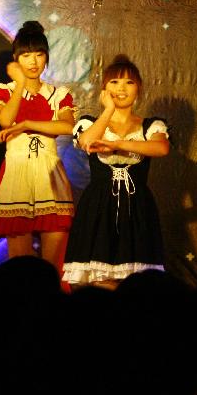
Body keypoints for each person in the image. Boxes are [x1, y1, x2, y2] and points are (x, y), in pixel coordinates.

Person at [63, 55, 170, 288]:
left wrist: (117, 144)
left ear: (138, 88)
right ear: (104, 88)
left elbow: (161, 148)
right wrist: (108, 110)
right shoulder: (89, 122)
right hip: (99, 205)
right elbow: (86, 142)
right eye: (114, 82)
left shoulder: (151, 125)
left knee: (137, 281)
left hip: (136, 207)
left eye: (129, 82)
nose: (121, 88)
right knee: (100, 278)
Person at [0, 21, 75, 271]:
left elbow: (68, 126)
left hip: (50, 174)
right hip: (17, 172)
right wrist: (21, 84)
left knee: (53, 265)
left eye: (39, 54)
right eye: (26, 55)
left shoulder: (58, 94)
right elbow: (5, 120)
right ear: (16, 59)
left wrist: (25, 124)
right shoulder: (3, 91)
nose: (33, 61)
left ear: (46, 57)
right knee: (20, 266)